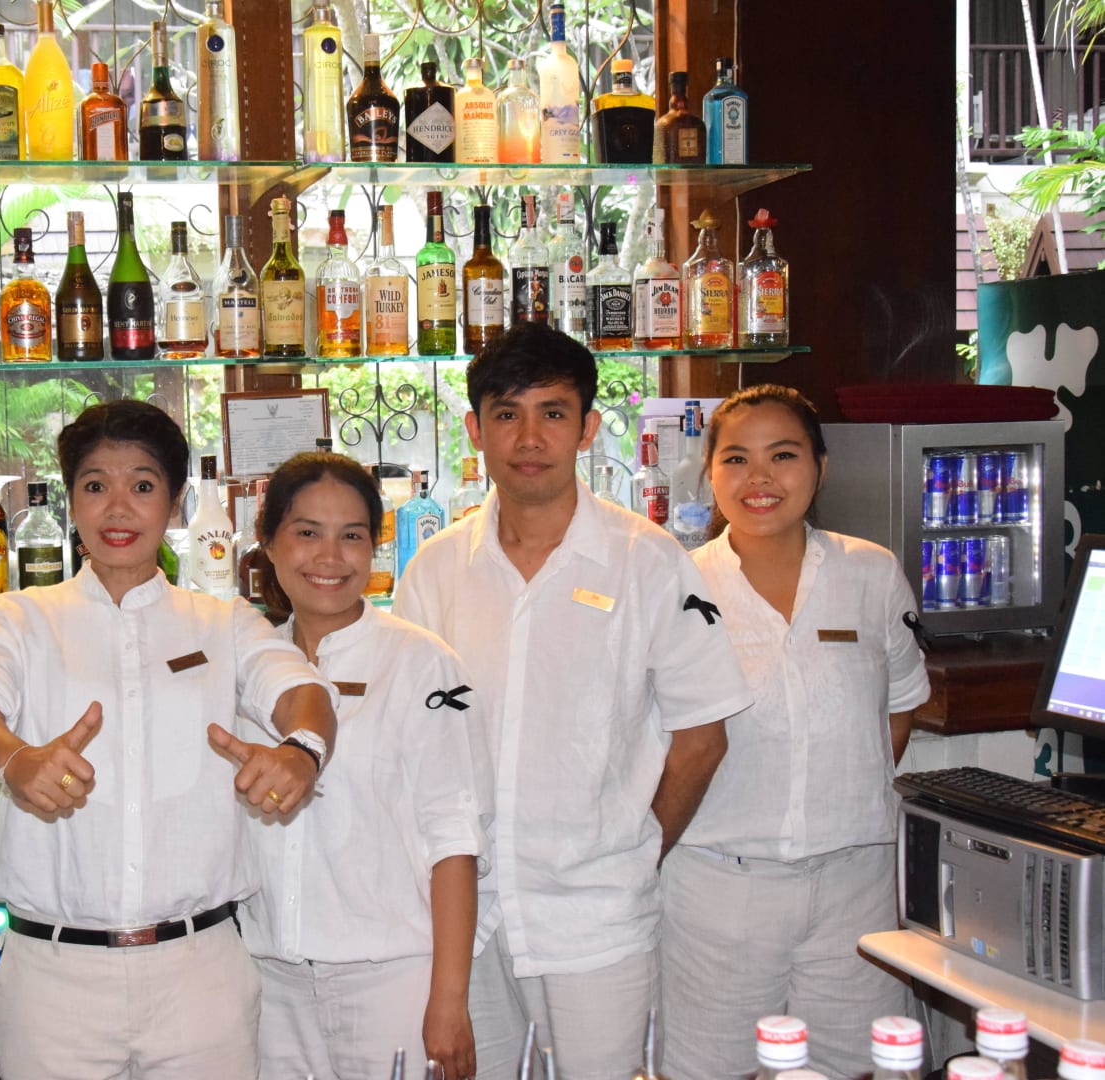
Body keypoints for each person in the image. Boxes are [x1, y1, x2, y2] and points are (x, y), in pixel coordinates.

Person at [391, 322, 752, 1080]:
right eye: (507, 414)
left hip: (598, 920)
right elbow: (413, 743)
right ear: (474, 430)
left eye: (553, 413)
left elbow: (702, 738)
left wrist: (635, 848)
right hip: (466, 922)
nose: (529, 438)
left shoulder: (650, 563)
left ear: (587, 429)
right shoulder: (434, 571)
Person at [0, 400, 339, 1080]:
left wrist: (301, 751)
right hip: (52, 983)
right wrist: (15, 759)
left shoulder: (223, 621)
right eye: (96, 485)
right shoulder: (20, 617)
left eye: (143, 485)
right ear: (71, 501)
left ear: (175, 503)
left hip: (200, 975)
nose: (118, 508)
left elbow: (303, 691)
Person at [658, 385, 929, 1080]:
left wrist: (838, 798)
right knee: (710, 1070)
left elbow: (899, 707)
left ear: (820, 466)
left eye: (783, 456)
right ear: (710, 472)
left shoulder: (871, 572)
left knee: (859, 1067)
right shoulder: (677, 586)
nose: (760, 479)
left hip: (856, 886)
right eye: (736, 459)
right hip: (718, 887)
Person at [237, 451, 492, 1080]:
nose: (330, 557)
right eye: (307, 532)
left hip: (392, 985)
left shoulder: (420, 664)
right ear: (268, 543)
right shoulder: (245, 667)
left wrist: (449, 1000)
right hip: (268, 988)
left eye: (351, 536)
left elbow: (453, 842)